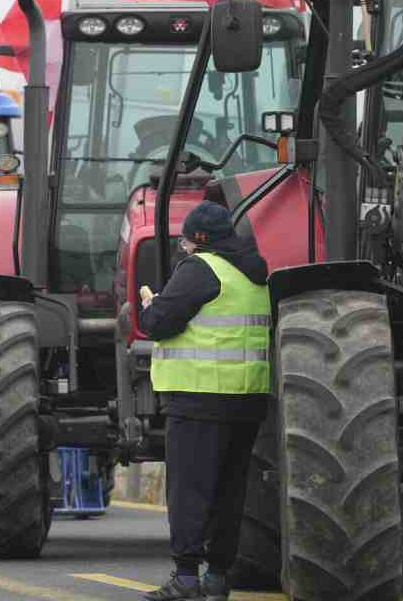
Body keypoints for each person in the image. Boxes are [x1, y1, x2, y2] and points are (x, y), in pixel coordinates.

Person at [139, 201, 271, 601]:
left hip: (199, 398)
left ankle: (185, 577)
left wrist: (150, 306)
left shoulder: (201, 270)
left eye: (185, 241)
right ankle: (216, 577)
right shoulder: (254, 275)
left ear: (199, 241)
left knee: (191, 490)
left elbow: (158, 323)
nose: (181, 248)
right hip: (246, 400)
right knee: (230, 492)